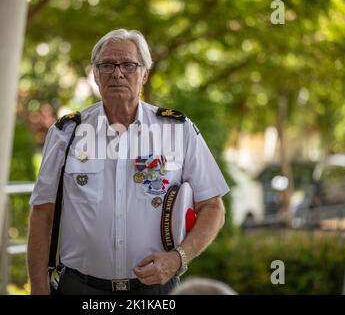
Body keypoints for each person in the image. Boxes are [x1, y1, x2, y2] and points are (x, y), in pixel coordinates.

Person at [27, 28, 230, 295]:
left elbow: (213, 207)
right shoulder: (66, 133)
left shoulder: (177, 130)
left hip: (156, 290)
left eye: (128, 65)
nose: (117, 73)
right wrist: (39, 289)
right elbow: (42, 215)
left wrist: (178, 258)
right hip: (80, 288)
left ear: (144, 74)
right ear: (96, 74)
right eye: (107, 65)